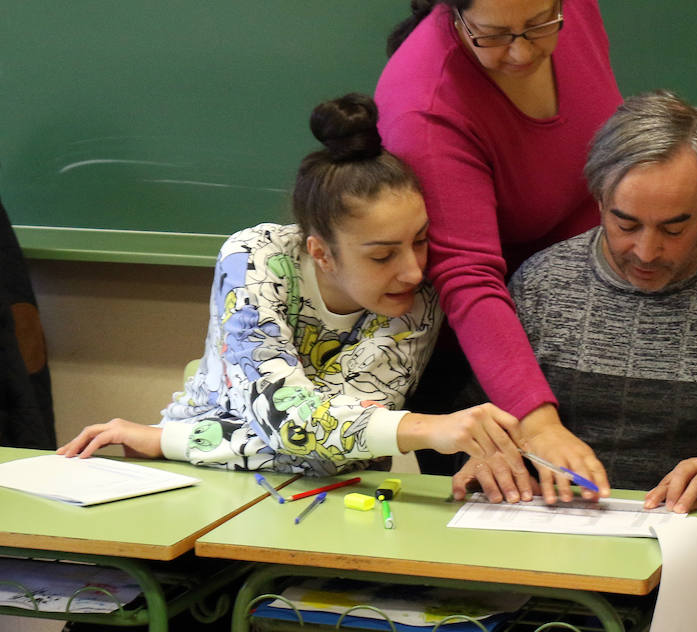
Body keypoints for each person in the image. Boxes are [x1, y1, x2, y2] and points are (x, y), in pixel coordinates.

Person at [457, 90, 697, 631]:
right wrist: (480, 455)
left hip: (687, 580)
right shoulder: (540, 286)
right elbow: (469, 419)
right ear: (598, 200)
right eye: (626, 224)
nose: (646, 251)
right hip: (540, 569)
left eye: (674, 227)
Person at [59, 94, 529, 482]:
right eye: (383, 255)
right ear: (321, 253)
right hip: (200, 480)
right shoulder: (255, 259)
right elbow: (297, 429)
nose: (412, 270)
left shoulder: (419, 299)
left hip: (304, 487)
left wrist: (168, 440)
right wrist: (428, 430)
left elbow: (325, 454)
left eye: (421, 241)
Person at [375, 0, 622, 501]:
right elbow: (468, 277)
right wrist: (537, 421)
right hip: (485, 345)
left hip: (582, 300)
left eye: (540, 25)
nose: (521, 52)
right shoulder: (427, 106)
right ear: (454, 15)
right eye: (492, 36)